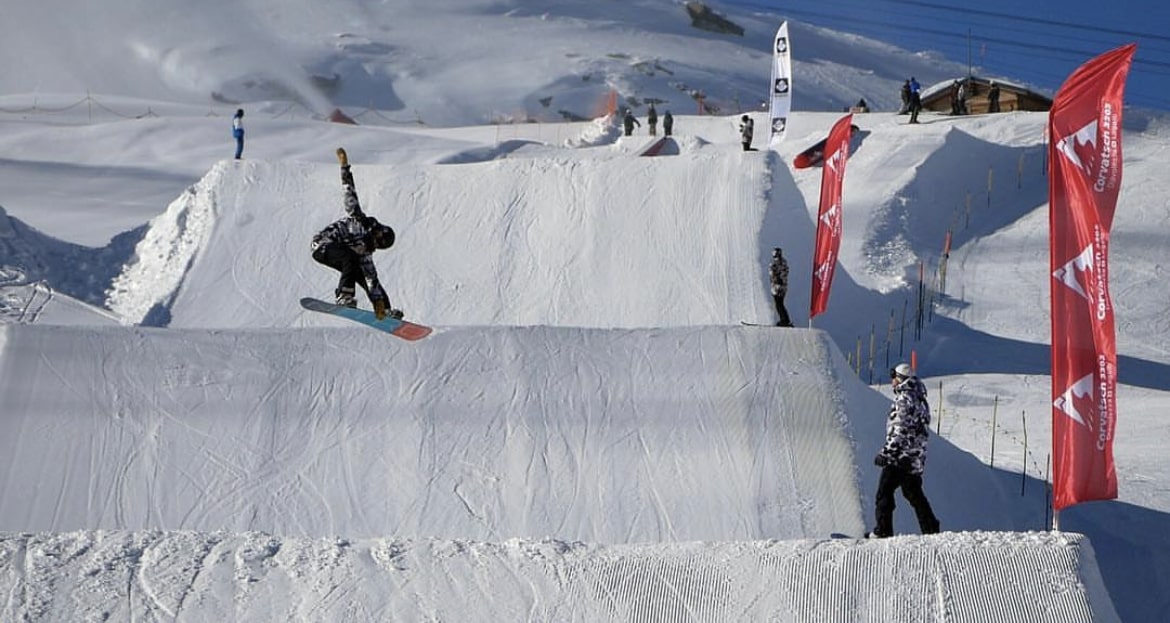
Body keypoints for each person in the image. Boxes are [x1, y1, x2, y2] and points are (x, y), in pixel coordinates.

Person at [311, 148, 402, 320]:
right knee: (351, 258)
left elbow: (372, 284)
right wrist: (344, 166)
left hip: (340, 254)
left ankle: (383, 311)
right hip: (322, 244)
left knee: (364, 274)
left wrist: (383, 310)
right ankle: (344, 296)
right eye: (376, 242)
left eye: (377, 248)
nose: (373, 247)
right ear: (377, 232)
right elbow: (349, 190)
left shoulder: (366, 253)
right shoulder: (358, 218)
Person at [871, 363, 941, 538]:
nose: (891, 380)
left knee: (884, 491)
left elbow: (899, 428)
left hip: (900, 456)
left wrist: (886, 453)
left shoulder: (904, 399)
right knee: (913, 493)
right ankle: (931, 527)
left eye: (893, 375)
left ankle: (883, 530)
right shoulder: (919, 399)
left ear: (900, 378)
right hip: (915, 456)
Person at [769, 247, 794, 327]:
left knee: (779, 304)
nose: (774, 256)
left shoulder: (779, 263)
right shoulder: (780, 263)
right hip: (779, 287)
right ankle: (784, 319)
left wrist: (779, 284)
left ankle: (785, 320)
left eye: (775, 254)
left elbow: (781, 274)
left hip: (778, 287)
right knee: (779, 304)